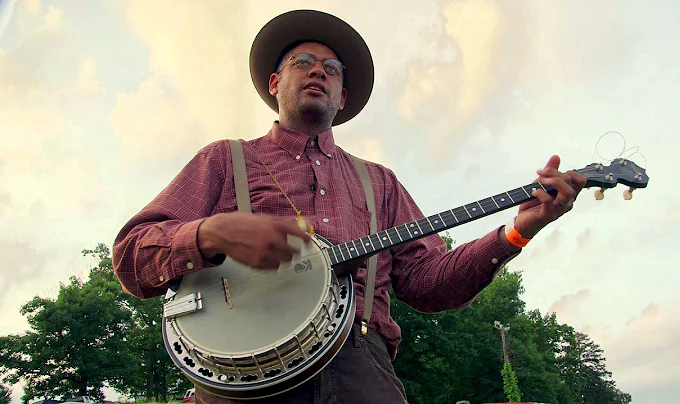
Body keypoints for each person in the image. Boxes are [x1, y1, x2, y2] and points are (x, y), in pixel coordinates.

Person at [112, 9, 586, 404]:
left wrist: (517, 232)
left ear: (343, 96)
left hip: (362, 365)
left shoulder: (379, 182)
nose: (319, 70)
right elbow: (131, 257)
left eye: (332, 69)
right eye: (303, 61)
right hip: (238, 380)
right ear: (276, 82)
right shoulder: (223, 158)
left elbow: (430, 285)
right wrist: (209, 234)